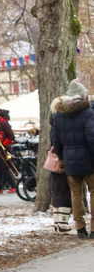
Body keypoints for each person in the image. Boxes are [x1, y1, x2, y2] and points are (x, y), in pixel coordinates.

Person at [50, 78, 94, 239]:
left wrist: (62, 159)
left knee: (75, 194)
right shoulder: (87, 112)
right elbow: (92, 137)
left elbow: (56, 140)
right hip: (89, 160)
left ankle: (80, 227)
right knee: (93, 192)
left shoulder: (60, 115)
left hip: (69, 160)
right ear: (82, 95)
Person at [0, 107, 16, 193]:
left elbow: (11, 136)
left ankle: (13, 185)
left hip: (4, 149)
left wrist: (4, 144)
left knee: (5, 168)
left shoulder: (4, 124)